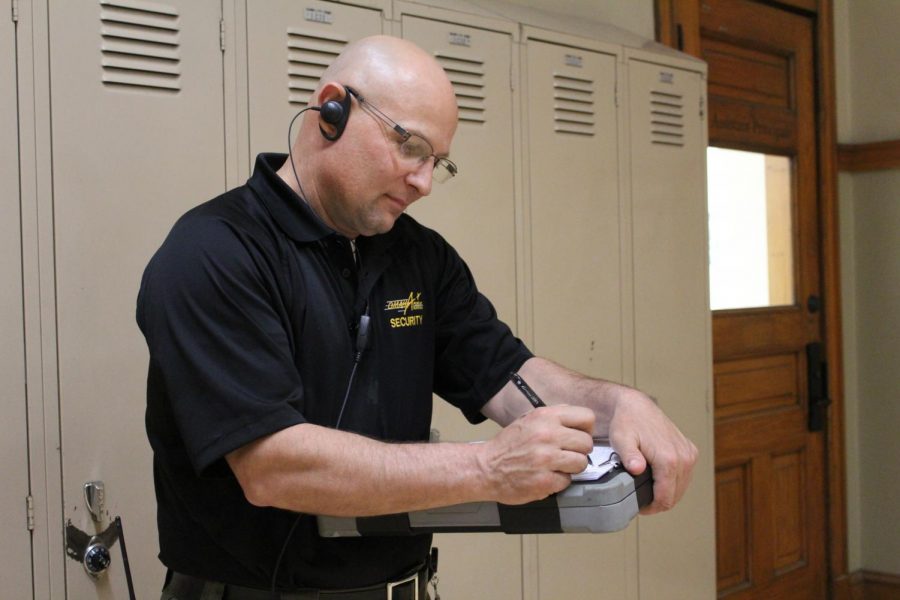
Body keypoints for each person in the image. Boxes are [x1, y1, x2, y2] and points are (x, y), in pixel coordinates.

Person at [137, 35, 698, 600]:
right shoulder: (215, 252)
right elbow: (271, 465)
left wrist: (620, 405)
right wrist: (489, 469)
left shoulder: (418, 258)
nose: (424, 183)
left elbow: (509, 378)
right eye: (410, 147)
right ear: (332, 111)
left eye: (438, 162)